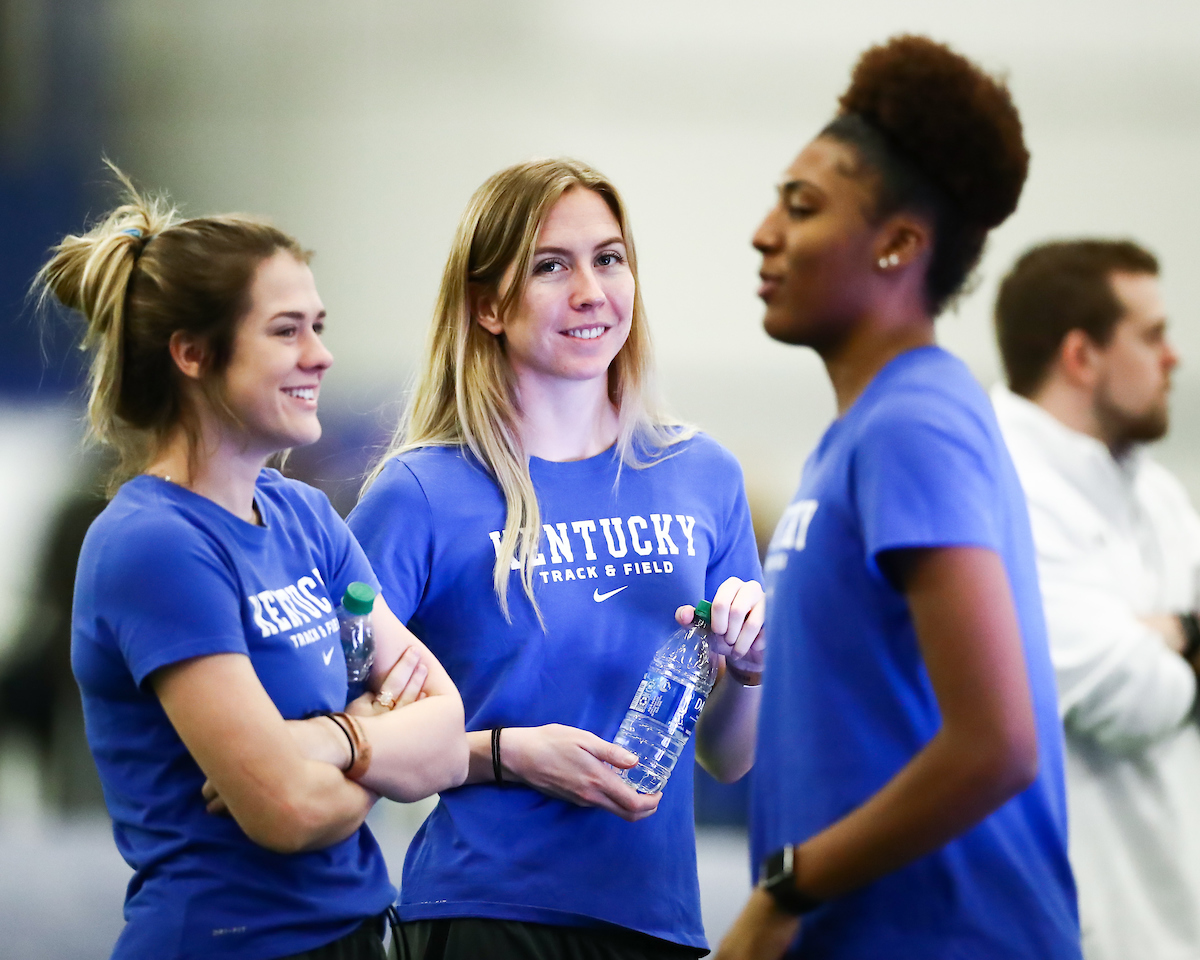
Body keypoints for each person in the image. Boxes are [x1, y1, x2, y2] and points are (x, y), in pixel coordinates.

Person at [38, 171, 468, 960]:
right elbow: (286, 812)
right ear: (192, 353)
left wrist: (328, 742)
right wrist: (374, 736)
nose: (322, 356)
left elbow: (444, 738)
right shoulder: (153, 544)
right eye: (286, 331)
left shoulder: (304, 516)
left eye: (319, 326)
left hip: (352, 932)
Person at [348, 157, 765, 960]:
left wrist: (748, 670)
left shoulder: (703, 475)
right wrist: (506, 756)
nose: (590, 291)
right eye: (550, 266)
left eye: (609, 258)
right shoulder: (421, 493)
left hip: (655, 920)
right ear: (488, 305)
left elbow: (729, 757)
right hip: (485, 911)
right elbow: (339, 736)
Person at [720, 36, 1082, 959]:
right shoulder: (859, 434)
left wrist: (785, 891)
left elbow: (998, 744)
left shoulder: (913, 422)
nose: (764, 231)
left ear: (898, 245)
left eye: (801, 207)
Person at [991, 239, 1200, 960]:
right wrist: (1182, 636)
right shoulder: (1001, 484)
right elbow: (1131, 698)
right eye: (1153, 335)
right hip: (1069, 930)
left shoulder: (1157, 492)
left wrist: (1168, 633)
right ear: (1081, 356)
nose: (1173, 357)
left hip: (1171, 916)